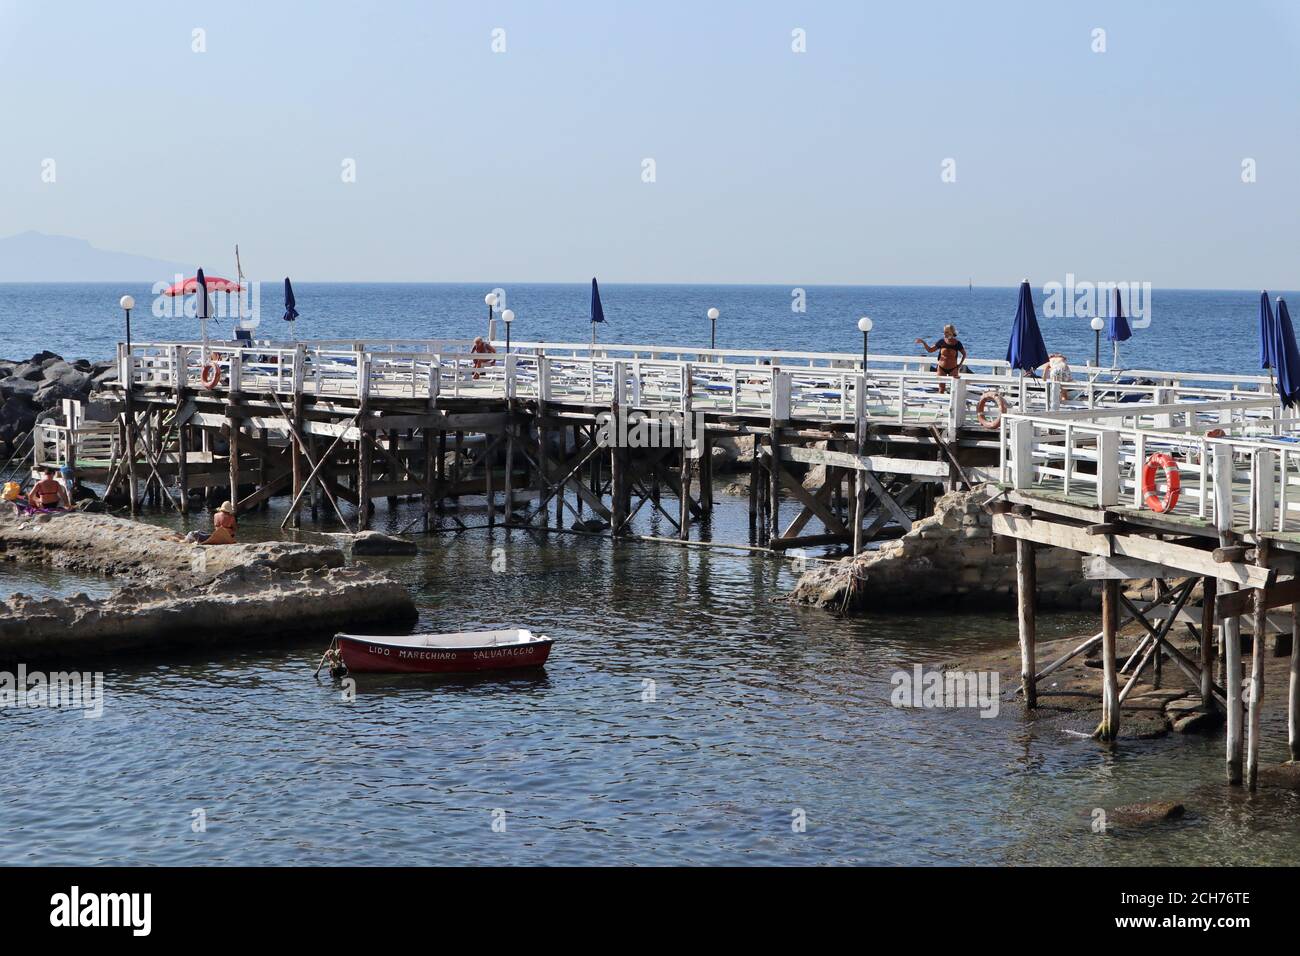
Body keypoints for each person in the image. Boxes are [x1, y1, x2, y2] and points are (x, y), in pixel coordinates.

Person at [915, 325, 967, 394]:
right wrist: (923, 342)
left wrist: (960, 365)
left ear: (951, 332)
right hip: (941, 368)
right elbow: (930, 350)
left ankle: (952, 405)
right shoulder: (941, 341)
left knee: (954, 390)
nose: (944, 334)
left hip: (953, 368)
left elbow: (964, 354)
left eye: (946, 332)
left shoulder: (957, 343)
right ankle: (941, 404)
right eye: (944, 332)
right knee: (941, 389)